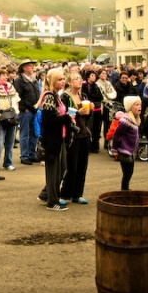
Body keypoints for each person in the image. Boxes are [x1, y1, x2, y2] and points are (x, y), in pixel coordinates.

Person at [36, 68, 73, 211]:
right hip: (52, 139)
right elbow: (49, 121)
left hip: (60, 137)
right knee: (54, 172)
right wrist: (67, 118)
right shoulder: (49, 97)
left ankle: (47, 194)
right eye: (59, 79)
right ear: (52, 81)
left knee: (62, 169)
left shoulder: (56, 96)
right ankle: (52, 201)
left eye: (63, 79)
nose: (63, 81)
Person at [59, 72, 91, 204]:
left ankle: (77, 194)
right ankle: (64, 194)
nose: (79, 80)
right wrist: (78, 112)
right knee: (72, 166)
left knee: (82, 166)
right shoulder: (65, 97)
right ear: (70, 82)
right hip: (73, 136)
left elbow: (87, 117)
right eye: (75, 79)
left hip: (84, 134)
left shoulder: (83, 96)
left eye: (80, 78)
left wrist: (89, 111)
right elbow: (64, 115)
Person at [111, 95, 142, 190]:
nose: (140, 107)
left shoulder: (135, 119)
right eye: (137, 105)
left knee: (129, 172)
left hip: (131, 151)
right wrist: (114, 149)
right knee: (127, 173)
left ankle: (125, 190)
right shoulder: (126, 120)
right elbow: (116, 135)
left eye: (140, 105)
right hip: (124, 151)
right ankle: (124, 191)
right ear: (130, 107)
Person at [13, 59, 40, 165]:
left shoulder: (33, 79)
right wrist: (24, 108)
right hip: (26, 111)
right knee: (24, 134)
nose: (32, 67)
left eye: (32, 65)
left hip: (35, 110)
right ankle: (24, 156)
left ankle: (32, 154)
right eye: (29, 66)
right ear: (24, 68)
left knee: (34, 133)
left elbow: (37, 93)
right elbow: (18, 96)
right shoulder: (19, 80)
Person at [0, 68, 19, 171]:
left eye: (6, 75)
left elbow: (16, 99)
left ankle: (8, 162)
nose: (6, 77)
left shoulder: (10, 86)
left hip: (12, 116)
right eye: (3, 75)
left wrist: (16, 111)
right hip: (1, 117)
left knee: (10, 142)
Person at [83, 70, 104, 154]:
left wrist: (93, 98)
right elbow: (86, 96)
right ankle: (88, 146)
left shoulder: (96, 86)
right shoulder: (84, 86)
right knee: (89, 128)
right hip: (89, 110)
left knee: (97, 129)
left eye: (95, 76)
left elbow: (100, 97)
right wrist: (94, 97)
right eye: (92, 75)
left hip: (97, 110)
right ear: (88, 77)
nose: (94, 77)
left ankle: (95, 146)